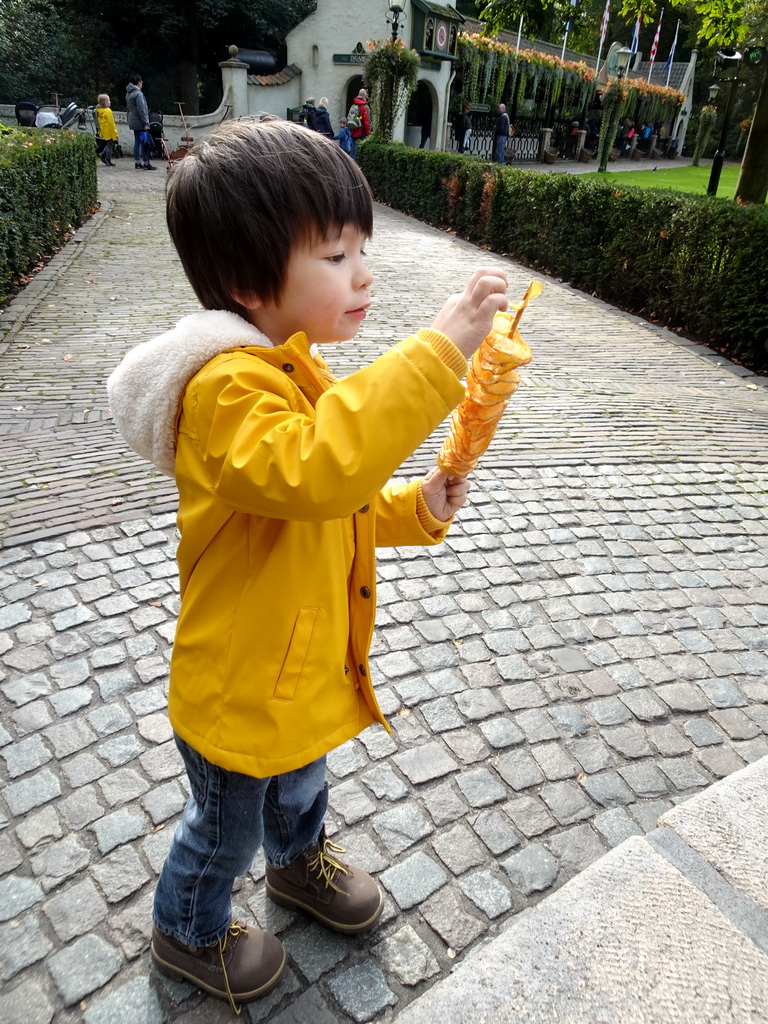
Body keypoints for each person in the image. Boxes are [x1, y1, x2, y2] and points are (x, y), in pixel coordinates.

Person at [106, 118, 508, 1013]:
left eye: (363, 247)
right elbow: (317, 469)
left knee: (303, 785)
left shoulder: (294, 369)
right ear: (251, 281)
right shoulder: (226, 391)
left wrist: (416, 508)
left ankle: (295, 869)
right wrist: (440, 351)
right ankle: (190, 927)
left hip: (298, 671)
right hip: (240, 687)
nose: (364, 272)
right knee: (225, 825)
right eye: (335, 254)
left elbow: (336, 506)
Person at [126, 74, 155, 170]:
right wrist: (145, 123)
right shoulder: (138, 94)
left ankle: (137, 161)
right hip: (139, 121)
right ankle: (146, 162)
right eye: (141, 81)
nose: (142, 83)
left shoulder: (129, 93)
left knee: (137, 141)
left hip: (132, 120)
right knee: (144, 141)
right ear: (138, 82)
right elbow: (141, 109)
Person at [96, 93, 118, 166]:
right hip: (109, 131)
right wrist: (115, 134)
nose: (110, 101)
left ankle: (103, 154)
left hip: (104, 130)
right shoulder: (108, 111)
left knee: (109, 144)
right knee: (110, 145)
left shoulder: (99, 111)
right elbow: (111, 124)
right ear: (104, 102)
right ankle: (107, 158)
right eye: (108, 100)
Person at [348, 87, 371, 159]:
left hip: (353, 131)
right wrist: (368, 134)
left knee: (352, 151)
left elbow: (350, 118)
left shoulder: (353, 105)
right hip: (361, 133)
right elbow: (367, 122)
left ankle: (350, 166)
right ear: (365, 96)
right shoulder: (365, 107)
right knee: (359, 154)